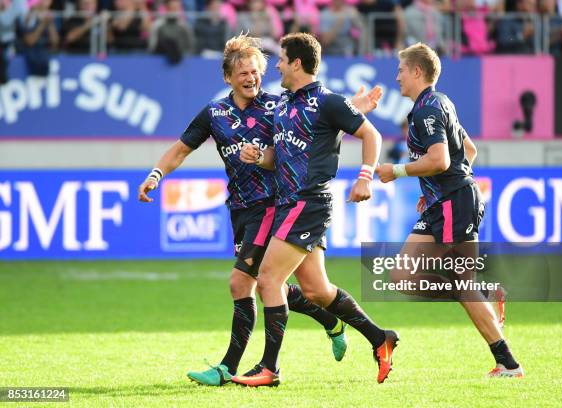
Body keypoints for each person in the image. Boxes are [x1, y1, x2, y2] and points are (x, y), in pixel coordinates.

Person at [138, 34, 381, 387]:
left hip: (275, 205)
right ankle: (334, 321)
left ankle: (229, 368)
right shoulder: (215, 113)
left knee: (242, 282)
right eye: (243, 74)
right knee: (300, 287)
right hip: (241, 208)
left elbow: (317, 121)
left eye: (255, 71)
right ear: (227, 78)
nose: (251, 78)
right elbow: (180, 149)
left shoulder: (278, 106)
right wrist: (156, 174)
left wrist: (354, 108)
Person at [232, 32, 398, 388]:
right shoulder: (286, 103)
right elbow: (280, 157)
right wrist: (259, 157)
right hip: (291, 203)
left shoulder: (327, 101)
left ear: (296, 63)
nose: (275, 66)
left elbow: (372, 136)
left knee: (268, 280)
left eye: (279, 60)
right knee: (316, 290)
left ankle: (269, 368)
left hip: (307, 203)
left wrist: (365, 177)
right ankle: (380, 337)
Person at [376, 42, 524, 378]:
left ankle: (487, 304)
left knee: (404, 276)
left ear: (416, 71)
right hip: (451, 201)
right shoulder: (442, 102)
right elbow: (468, 150)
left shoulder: (427, 109)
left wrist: (396, 171)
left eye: (401, 70)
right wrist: (434, 190)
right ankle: (508, 362)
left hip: (453, 205)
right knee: (454, 282)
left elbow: (441, 160)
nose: (396, 77)